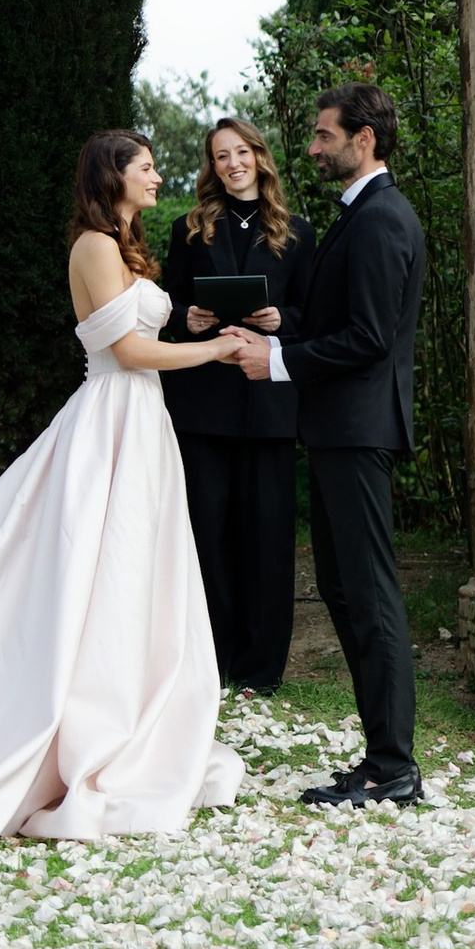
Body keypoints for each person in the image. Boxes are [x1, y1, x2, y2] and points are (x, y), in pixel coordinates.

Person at [0, 131, 256, 847]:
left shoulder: (125, 245)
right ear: (113, 176)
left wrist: (185, 319)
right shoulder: (95, 245)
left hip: (143, 422)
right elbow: (125, 351)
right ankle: (77, 720)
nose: (160, 177)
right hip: (111, 420)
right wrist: (215, 348)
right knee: (95, 564)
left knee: (135, 567)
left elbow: (138, 323)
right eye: (147, 167)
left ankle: (132, 708)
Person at [227, 83, 426, 807]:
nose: (311, 147)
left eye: (322, 134)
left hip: (358, 430)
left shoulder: (379, 220)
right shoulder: (362, 214)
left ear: (363, 137)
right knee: (346, 590)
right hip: (342, 429)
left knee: (369, 594)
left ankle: (394, 765)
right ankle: (382, 757)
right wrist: (283, 333)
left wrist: (277, 362)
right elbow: (346, 323)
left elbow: (370, 338)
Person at [164, 118, 311, 694]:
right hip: (204, 402)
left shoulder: (296, 232)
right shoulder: (189, 228)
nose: (232, 163)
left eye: (241, 152)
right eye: (220, 156)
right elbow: (168, 307)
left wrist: (283, 322)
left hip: (270, 403)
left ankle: (262, 667)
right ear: (212, 165)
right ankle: (213, 659)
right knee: (208, 531)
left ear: (259, 156)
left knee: (269, 535)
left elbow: (313, 314)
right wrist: (189, 319)